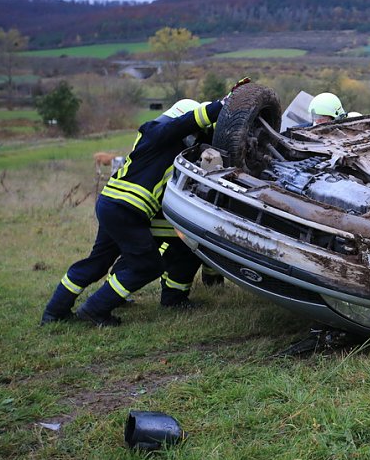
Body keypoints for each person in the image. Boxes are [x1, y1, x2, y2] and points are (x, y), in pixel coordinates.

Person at [40, 82, 245, 327]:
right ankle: (95, 309)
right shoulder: (156, 131)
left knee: (97, 263)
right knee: (147, 265)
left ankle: (54, 312)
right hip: (127, 209)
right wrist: (223, 105)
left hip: (112, 205)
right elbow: (187, 124)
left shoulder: (167, 144)